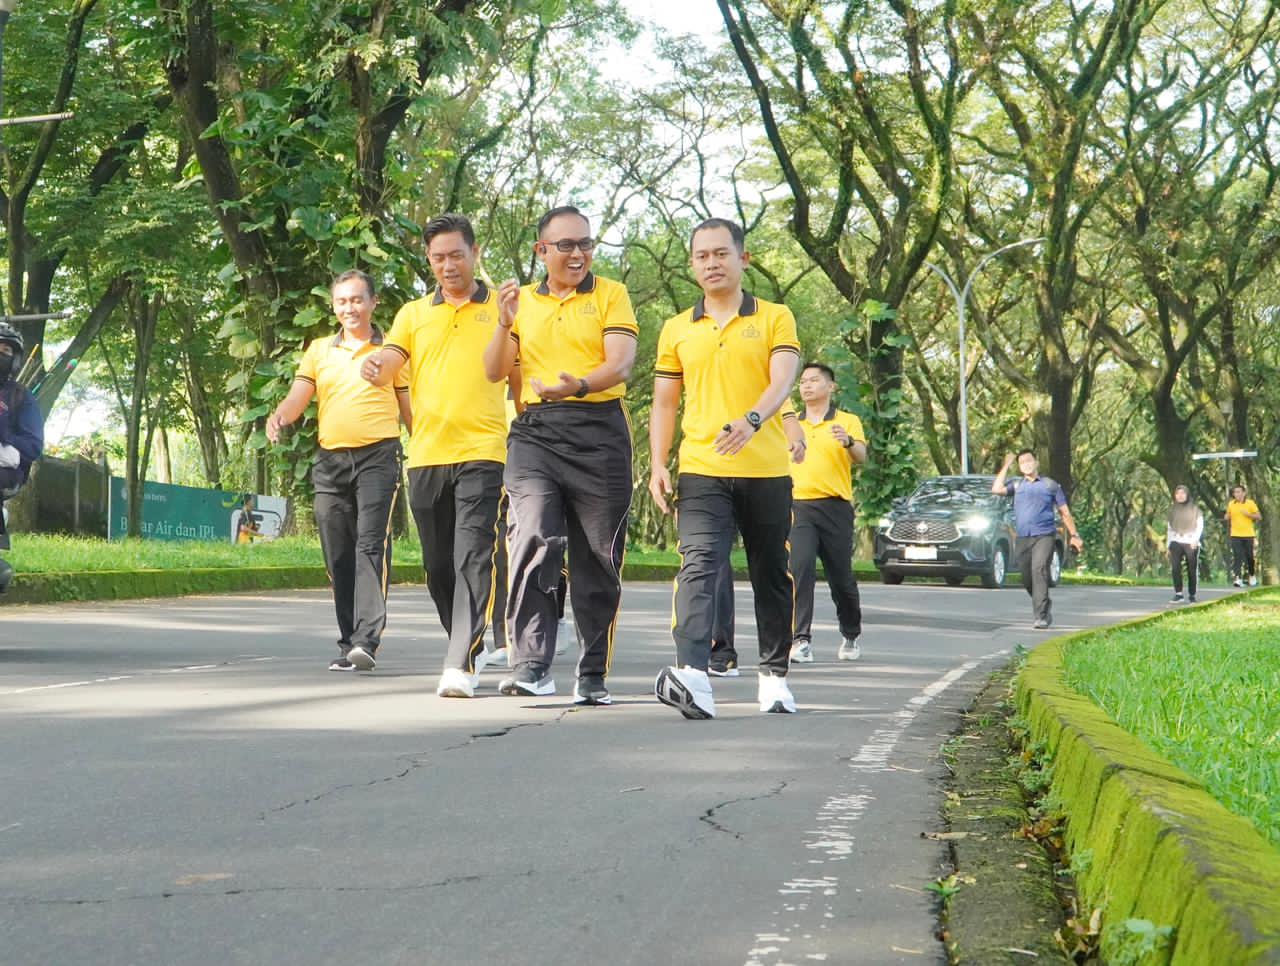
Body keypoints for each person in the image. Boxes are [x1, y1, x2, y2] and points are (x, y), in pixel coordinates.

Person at [483, 205, 638, 705]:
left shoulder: (611, 294)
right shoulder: (522, 302)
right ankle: (531, 663)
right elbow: (494, 371)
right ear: (541, 250)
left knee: (597, 555)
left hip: (599, 431)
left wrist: (580, 385)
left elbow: (621, 364)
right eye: (566, 245)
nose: (578, 254)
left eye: (585, 244)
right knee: (533, 536)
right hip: (536, 433)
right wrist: (503, 323)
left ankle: (592, 672)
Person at [649, 217, 802, 719]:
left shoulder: (775, 317)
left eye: (721, 253)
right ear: (692, 264)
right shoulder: (676, 328)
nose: (711, 263)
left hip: (766, 469)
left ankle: (774, 676)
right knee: (698, 563)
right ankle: (693, 675)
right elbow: (665, 403)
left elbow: (783, 379)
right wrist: (658, 462)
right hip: (701, 467)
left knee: (770, 572)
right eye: (702, 256)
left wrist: (753, 420)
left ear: (743, 259)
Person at [362, 213, 513, 698]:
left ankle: (460, 661)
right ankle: (467, 642)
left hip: (484, 450)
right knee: (437, 565)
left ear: (475, 253)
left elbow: (515, 369)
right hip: (427, 453)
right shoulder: (412, 314)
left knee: (472, 555)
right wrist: (377, 365)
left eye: (456, 255)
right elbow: (392, 359)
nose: (448, 266)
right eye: (438, 258)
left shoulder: (505, 307)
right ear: (429, 260)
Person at [267, 270, 410, 671]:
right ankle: (349, 643)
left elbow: (408, 406)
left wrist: (426, 445)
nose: (350, 308)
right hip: (331, 461)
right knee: (338, 552)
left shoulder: (393, 351)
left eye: (357, 300)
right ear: (334, 307)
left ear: (373, 303)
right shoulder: (318, 350)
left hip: (379, 457)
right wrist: (280, 416)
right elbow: (298, 396)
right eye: (342, 301)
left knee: (370, 546)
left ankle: (366, 640)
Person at [708, 407, 806, 677]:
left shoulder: (772, 389)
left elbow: (789, 419)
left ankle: (774, 663)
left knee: (769, 570)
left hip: (763, 478)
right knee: (711, 563)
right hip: (712, 476)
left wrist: (798, 442)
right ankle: (720, 652)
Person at [788, 362, 867, 664]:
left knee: (841, 578)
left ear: (831, 386)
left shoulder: (848, 421)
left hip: (836, 507)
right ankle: (800, 640)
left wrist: (848, 442)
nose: (806, 385)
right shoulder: (791, 424)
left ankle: (851, 633)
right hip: (799, 506)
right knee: (800, 570)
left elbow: (861, 456)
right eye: (803, 381)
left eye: (814, 380)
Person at [992, 450, 1084, 629]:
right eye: (1022, 462)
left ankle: (1041, 616)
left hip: (1044, 536)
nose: (1026, 464)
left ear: (1036, 462)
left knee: (1039, 570)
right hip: (1023, 537)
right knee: (1027, 578)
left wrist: (1075, 535)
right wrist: (1006, 465)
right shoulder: (1017, 485)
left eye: (1029, 460)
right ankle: (1044, 602)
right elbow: (996, 489)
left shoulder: (1050, 485)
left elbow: (1064, 512)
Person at [0, 323, 44, 593]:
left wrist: (6, 437)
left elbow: (33, 446)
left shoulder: (21, 396)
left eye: (5, 351)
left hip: (6, 471)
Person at [1166, 484, 1203, 603]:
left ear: (1187, 495)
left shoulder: (1195, 509)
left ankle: (1192, 594)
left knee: (1191, 568)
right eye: (1177, 493)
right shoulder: (1172, 510)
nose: (1180, 496)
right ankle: (1178, 593)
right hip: (1176, 540)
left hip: (1191, 541)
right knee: (1175, 567)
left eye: (1183, 493)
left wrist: (1195, 540)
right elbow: (1169, 528)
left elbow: (1200, 526)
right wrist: (1168, 544)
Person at [1225, 483, 1261, 588]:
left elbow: (1259, 516)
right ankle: (1238, 579)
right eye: (1235, 492)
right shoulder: (1231, 504)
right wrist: (1227, 516)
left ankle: (1252, 576)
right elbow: (1227, 515)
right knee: (1237, 556)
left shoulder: (1250, 503)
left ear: (1244, 493)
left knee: (1249, 556)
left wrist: (1248, 514)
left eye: (1239, 492)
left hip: (1248, 535)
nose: (1237, 494)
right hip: (1235, 535)